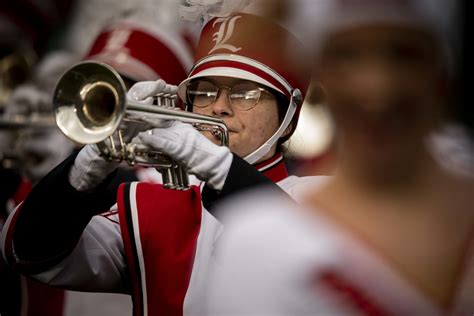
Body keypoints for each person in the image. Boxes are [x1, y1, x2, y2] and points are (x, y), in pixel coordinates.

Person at [1, 9, 322, 316]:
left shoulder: (321, 197)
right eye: (204, 92)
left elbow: (297, 254)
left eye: (245, 93)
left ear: (289, 117)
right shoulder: (148, 203)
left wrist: (220, 169)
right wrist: (85, 168)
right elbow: (27, 252)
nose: (219, 107)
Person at [205, 0, 473, 315]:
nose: (376, 88)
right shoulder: (257, 242)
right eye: (346, 55)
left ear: (442, 68)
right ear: (316, 73)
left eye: (404, 53)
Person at [0, 13, 195, 316]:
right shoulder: (51, 155)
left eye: (127, 89)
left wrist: (73, 167)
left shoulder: (166, 180)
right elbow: (17, 244)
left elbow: (132, 197)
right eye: (100, 87)